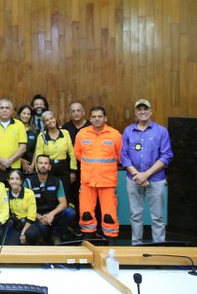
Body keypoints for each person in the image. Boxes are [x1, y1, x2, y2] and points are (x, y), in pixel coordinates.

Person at [120, 99, 173, 245]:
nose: (142, 112)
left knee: (158, 217)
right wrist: (137, 175)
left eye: (145, 109)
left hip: (156, 179)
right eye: (139, 109)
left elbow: (166, 156)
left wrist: (146, 175)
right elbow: (124, 156)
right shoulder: (128, 131)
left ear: (151, 111)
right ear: (135, 112)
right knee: (135, 215)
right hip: (134, 179)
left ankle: (159, 247)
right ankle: (137, 245)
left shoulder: (161, 131)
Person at [74, 106, 122, 240]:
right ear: (90, 119)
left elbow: (120, 156)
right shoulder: (82, 134)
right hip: (87, 181)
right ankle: (87, 237)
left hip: (107, 182)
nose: (97, 119)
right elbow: (78, 154)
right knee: (86, 214)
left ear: (105, 118)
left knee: (109, 215)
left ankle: (110, 238)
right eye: (94, 116)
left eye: (100, 116)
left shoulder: (115, 135)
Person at [24, 155, 76, 244]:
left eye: (46, 163)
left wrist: (51, 214)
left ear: (50, 167)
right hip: (36, 215)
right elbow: (23, 205)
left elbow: (63, 203)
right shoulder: (28, 182)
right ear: (36, 165)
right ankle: (42, 238)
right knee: (37, 232)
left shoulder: (57, 181)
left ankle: (56, 235)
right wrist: (39, 217)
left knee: (70, 212)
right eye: (40, 163)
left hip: (53, 214)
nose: (43, 165)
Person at [34, 111, 77, 205]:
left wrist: (73, 170)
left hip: (63, 168)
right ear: (44, 123)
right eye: (47, 120)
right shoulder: (42, 136)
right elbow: (38, 155)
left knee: (65, 192)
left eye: (52, 118)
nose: (50, 121)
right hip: (48, 168)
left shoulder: (65, 133)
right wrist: (38, 171)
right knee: (50, 193)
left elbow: (72, 153)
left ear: (55, 119)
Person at [0, 99, 27, 183]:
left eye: (7, 108)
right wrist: (2, 161)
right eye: (2, 108)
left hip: (14, 166)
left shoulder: (19, 124)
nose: (4, 110)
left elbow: (23, 148)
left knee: (14, 190)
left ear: (11, 110)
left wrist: (9, 161)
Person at [5, 170, 37, 245]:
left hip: (28, 224)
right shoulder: (5, 193)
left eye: (17, 179)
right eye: (12, 179)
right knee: (11, 245)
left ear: (21, 181)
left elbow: (31, 216)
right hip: (15, 224)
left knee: (31, 234)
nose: (14, 181)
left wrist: (23, 233)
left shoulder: (29, 193)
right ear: (8, 181)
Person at [16, 104, 39, 174]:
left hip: (31, 166)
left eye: (28, 114)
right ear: (19, 114)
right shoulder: (13, 129)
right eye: (24, 113)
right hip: (15, 164)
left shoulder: (35, 130)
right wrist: (21, 160)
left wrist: (32, 166)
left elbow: (37, 149)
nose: (26, 116)